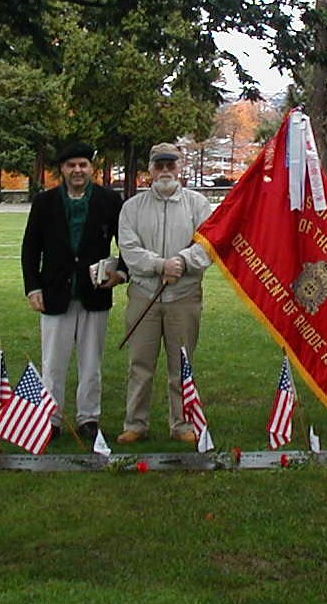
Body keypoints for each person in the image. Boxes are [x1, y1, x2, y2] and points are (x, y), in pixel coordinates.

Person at [21, 142, 125, 442]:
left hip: (95, 294)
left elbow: (126, 241)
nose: (77, 170)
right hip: (55, 292)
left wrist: (120, 273)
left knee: (91, 362)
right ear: (62, 170)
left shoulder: (108, 200)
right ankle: (51, 418)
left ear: (91, 168)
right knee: (53, 362)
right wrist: (33, 287)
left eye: (82, 165)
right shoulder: (45, 202)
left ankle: (88, 418)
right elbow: (31, 248)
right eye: (71, 166)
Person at [116, 143, 213, 445]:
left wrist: (183, 262)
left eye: (171, 164)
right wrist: (160, 265)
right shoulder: (132, 207)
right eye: (159, 165)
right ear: (150, 170)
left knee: (181, 364)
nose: (165, 171)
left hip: (184, 297)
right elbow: (129, 252)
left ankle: (182, 423)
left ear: (181, 166)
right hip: (144, 295)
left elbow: (208, 246)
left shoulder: (198, 205)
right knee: (140, 365)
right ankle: (135, 423)